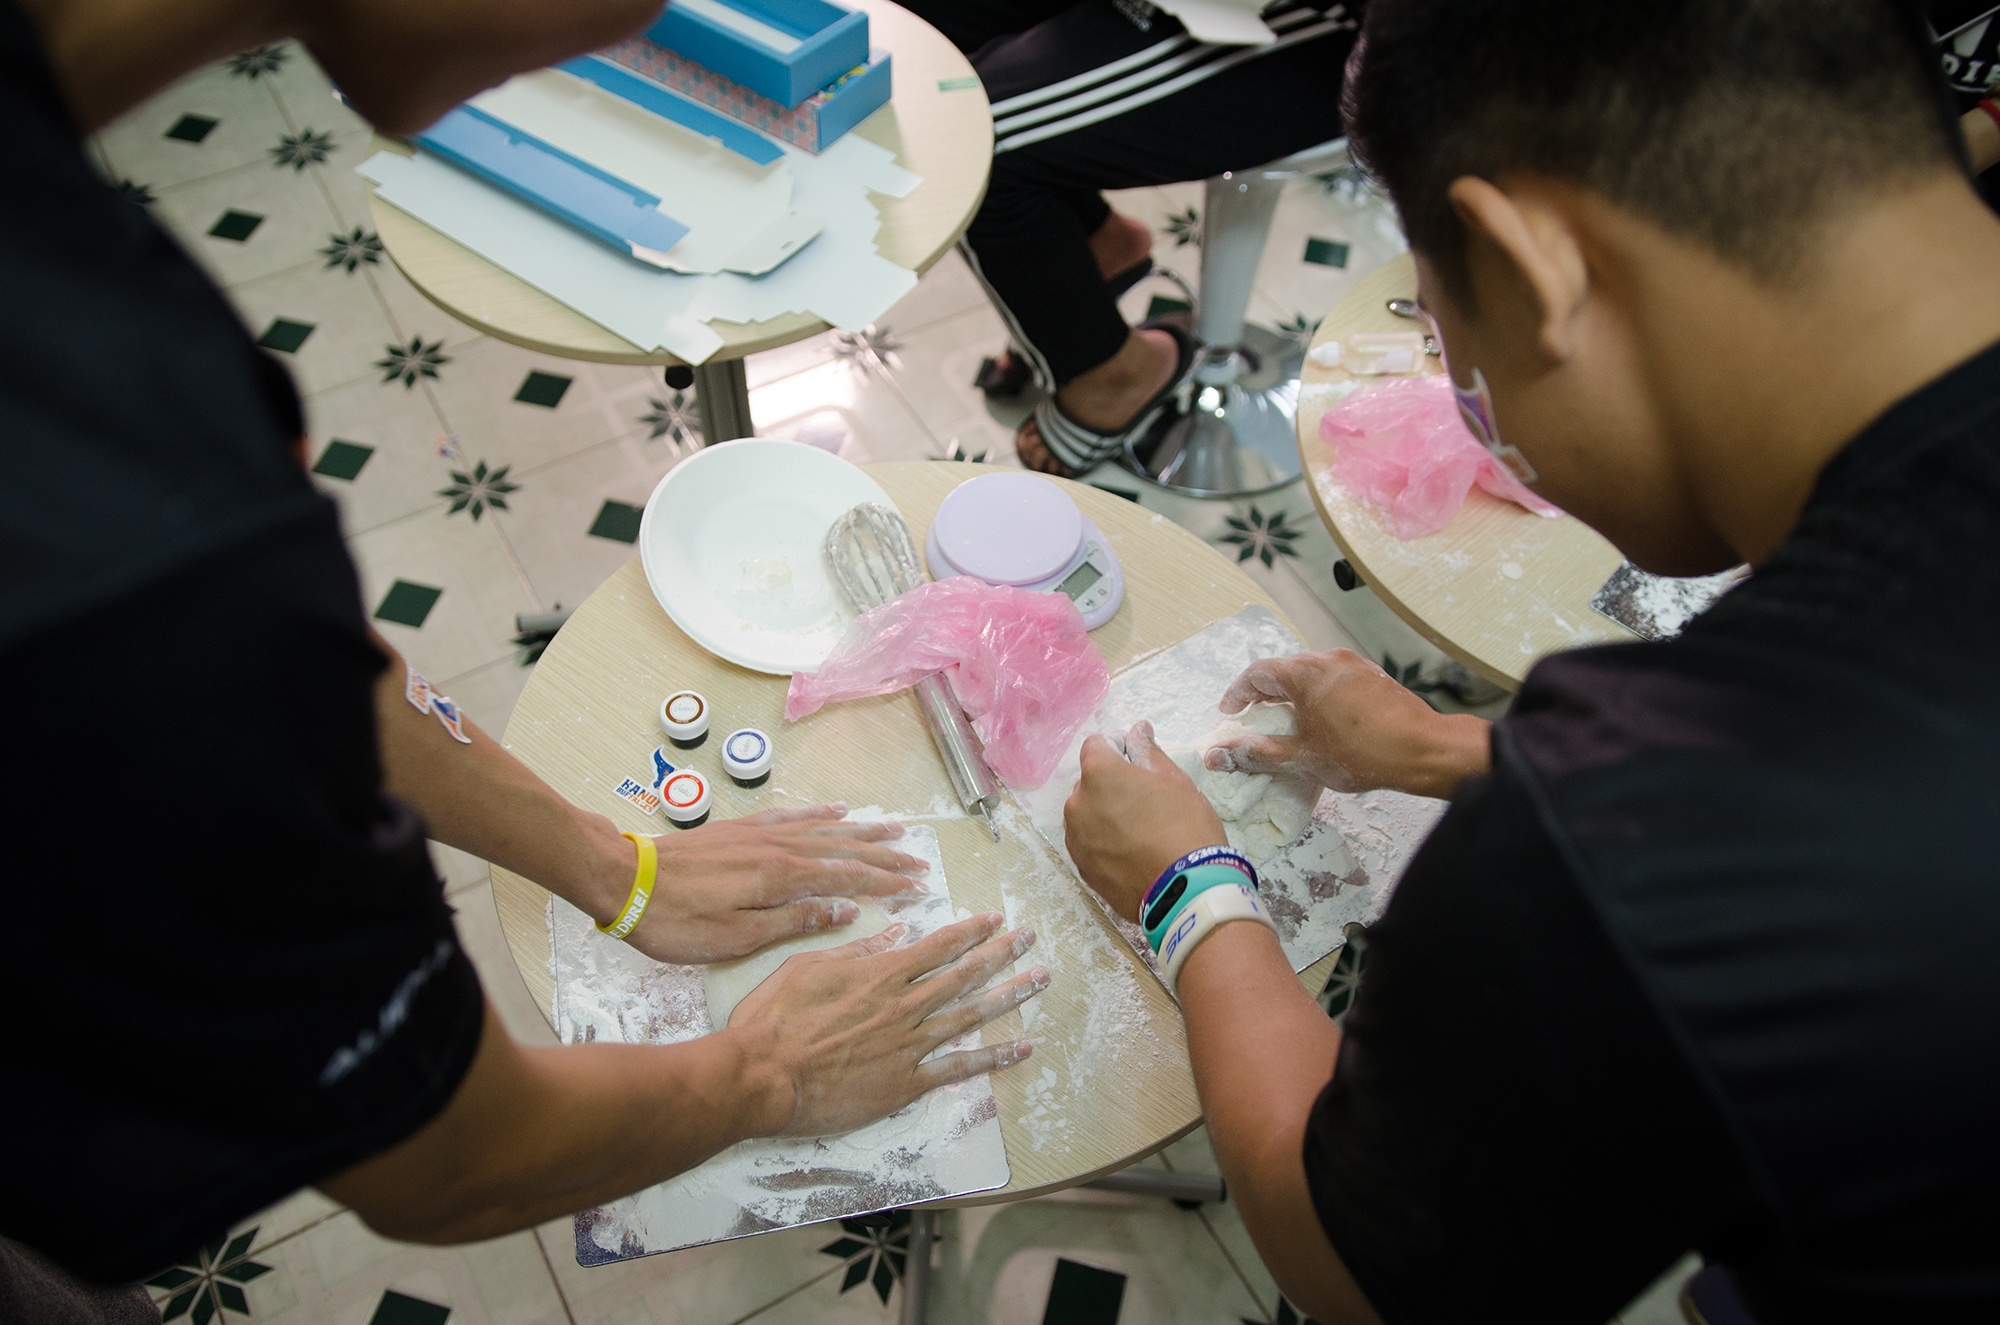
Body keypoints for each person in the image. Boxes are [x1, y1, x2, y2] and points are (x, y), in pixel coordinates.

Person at [0, 0, 1047, 1313]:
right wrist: (765, 1073)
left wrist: (614, 866)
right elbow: (453, 1162)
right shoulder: (132, 549)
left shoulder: (76, 258)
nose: (636, 50)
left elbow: (319, 677)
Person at [1063, 1, 2000, 1321]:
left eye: (1455, 341)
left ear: (1532, 266)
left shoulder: (1629, 840)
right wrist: (1450, 747)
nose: (1476, 406)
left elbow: (1351, 1265)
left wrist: (1189, 888)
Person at [903, 0, 1362, 477]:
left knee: (968, 138)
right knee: (912, 36)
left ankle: (1115, 373)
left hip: (1354, 35)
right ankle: (1096, 243)